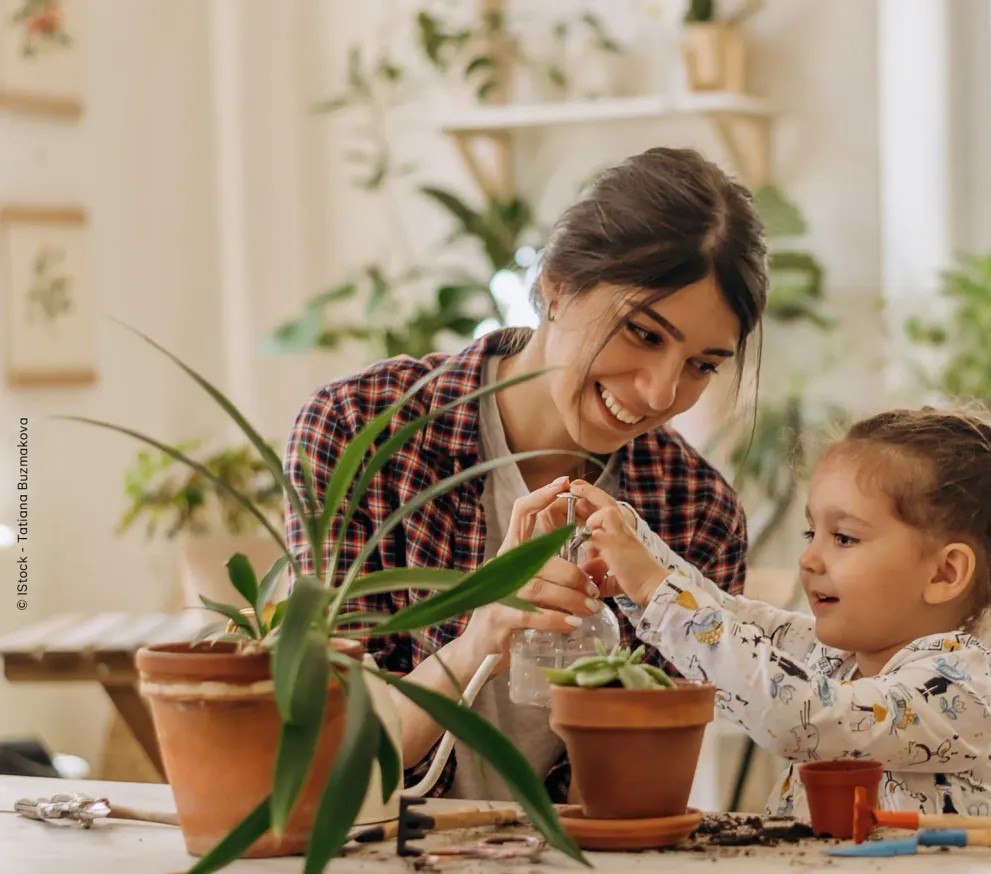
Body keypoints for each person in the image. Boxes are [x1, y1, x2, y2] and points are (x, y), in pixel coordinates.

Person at [282, 146, 768, 802]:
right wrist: (479, 633)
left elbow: (637, 803)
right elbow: (317, 764)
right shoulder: (361, 431)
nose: (660, 394)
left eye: (702, 365)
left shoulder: (695, 511)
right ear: (558, 286)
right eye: (644, 335)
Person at [570, 406, 991, 819]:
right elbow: (730, 616)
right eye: (810, 532)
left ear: (944, 574)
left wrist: (656, 589)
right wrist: (629, 547)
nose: (810, 557)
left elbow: (798, 715)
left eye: (844, 537)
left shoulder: (963, 683)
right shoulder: (834, 658)